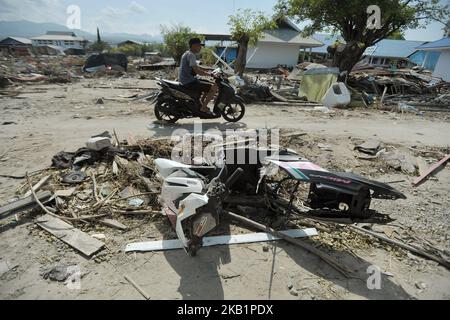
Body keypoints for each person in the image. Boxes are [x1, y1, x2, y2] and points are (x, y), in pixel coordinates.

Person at [179, 38, 218, 114]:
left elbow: (196, 67)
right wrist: (210, 74)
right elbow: (197, 71)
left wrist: (210, 69)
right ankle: (203, 107)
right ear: (193, 46)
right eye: (199, 45)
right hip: (189, 81)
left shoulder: (187, 53)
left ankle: (202, 103)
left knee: (208, 82)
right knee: (214, 87)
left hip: (187, 80)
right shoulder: (191, 55)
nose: (200, 47)